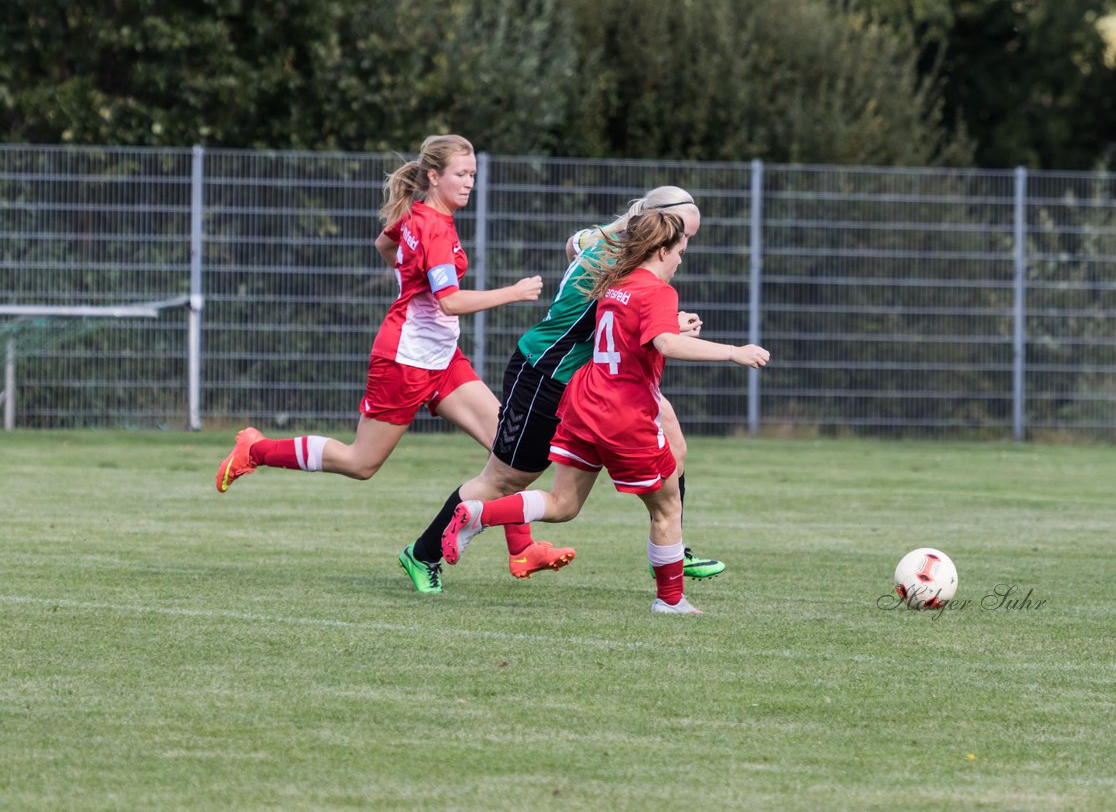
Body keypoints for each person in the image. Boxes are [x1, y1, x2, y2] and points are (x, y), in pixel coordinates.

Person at [397, 187, 726, 595]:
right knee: (504, 479)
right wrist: (671, 326)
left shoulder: (607, 239)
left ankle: (672, 543)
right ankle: (424, 552)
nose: (683, 247)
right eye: (682, 236)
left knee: (670, 432)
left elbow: (573, 245)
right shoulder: (620, 261)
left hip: (591, 380)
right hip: (545, 374)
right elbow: (628, 314)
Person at [442, 210, 770, 614]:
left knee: (563, 504)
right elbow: (665, 344)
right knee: (667, 508)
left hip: (584, 402)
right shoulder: (659, 292)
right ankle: (670, 601)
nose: (681, 260)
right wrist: (734, 352)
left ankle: (479, 513)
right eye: (679, 252)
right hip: (625, 414)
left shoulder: (613, 284)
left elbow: (633, 330)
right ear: (661, 250)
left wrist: (670, 325)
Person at [213, 134, 553, 518]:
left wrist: (409, 277)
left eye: (472, 174)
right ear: (434, 176)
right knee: (361, 463)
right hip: (404, 360)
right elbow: (449, 301)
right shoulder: (435, 229)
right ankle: (255, 449)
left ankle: (521, 550)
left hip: (441, 358)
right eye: (461, 174)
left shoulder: (421, 215)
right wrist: (514, 291)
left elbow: (384, 245)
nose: (469, 182)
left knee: (506, 450)